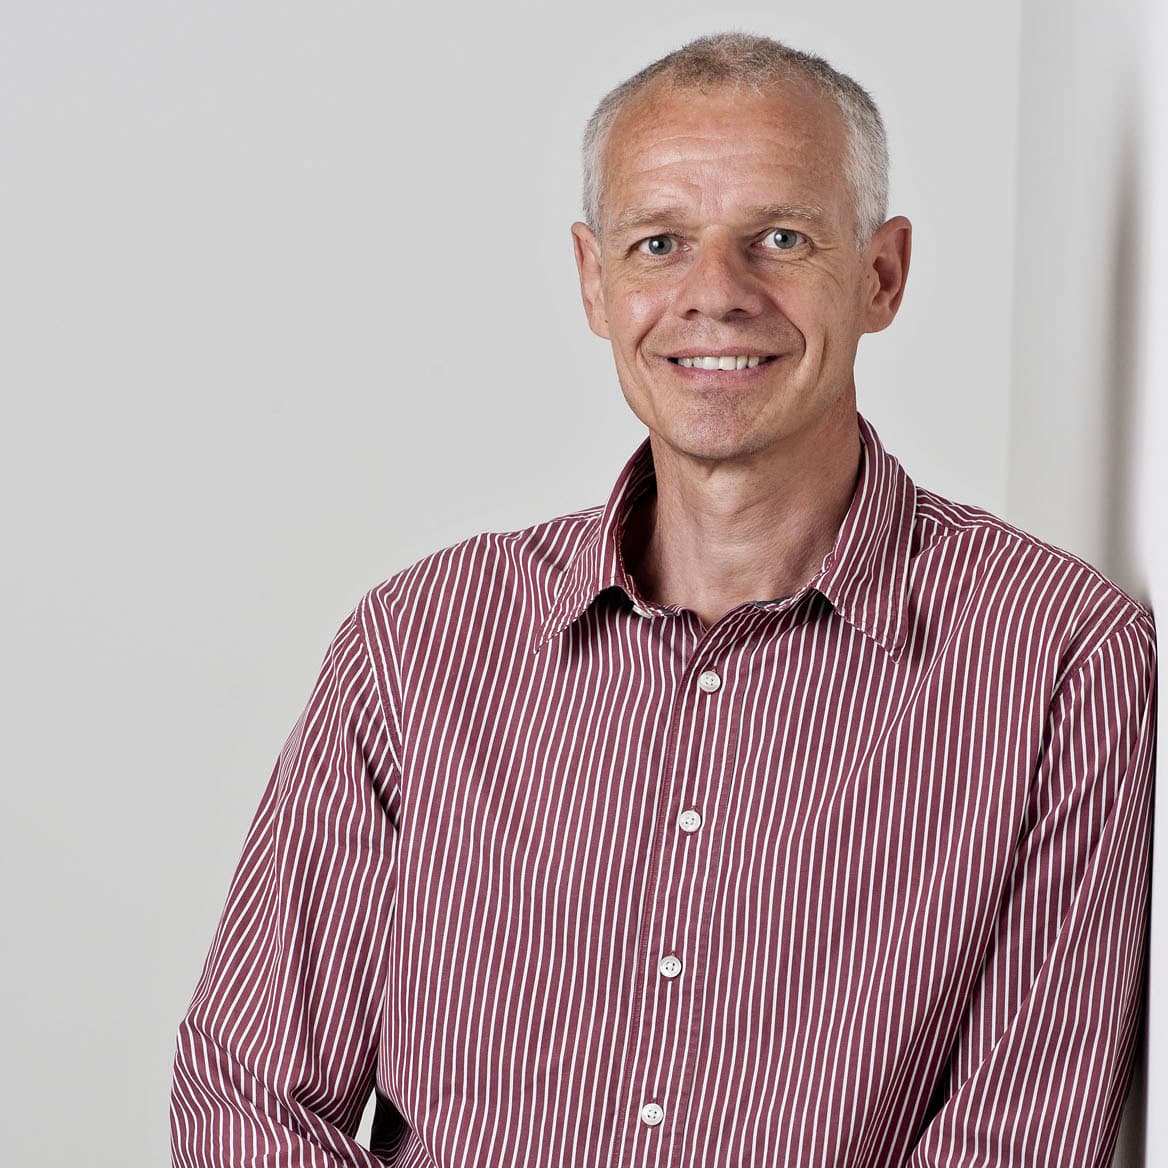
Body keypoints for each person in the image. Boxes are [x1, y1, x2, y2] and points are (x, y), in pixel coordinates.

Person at [170, 32, 1156, 1168]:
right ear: (596, 281)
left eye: (779, 239)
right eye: (660, 244)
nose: (715, 296)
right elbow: (247, 1100)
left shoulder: (1059, 657)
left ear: (881, 274)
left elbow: (1018, 1139)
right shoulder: (418, 643)